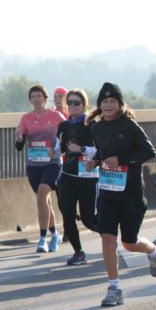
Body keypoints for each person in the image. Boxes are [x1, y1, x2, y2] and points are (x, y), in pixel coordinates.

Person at [85, 82, 156, 307]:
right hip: (108, 192)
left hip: (130, 193)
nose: (109, 105)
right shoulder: (96, 128)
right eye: (105, 101)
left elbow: (149, 151)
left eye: (113, 101)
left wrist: (121, 160)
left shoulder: (129, 125)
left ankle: (155, 250)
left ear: (120, 104)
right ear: (99, 105)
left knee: (129, 243)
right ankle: (114, 287)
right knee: (107, 238)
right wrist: (95, 161)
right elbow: (103, 152)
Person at [15, 84, 66, 252]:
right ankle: (54, 234)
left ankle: (43, 238)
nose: (36, 99)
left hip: (52, 162)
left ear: (45, 99)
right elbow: (19, 140)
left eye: (39, 96)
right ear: (30, 100)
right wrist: (19, 138)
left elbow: (68, 134)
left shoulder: (56, 116)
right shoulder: (26, 118)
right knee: (43, 200)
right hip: (34, 164)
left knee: (43, 192)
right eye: (33, 96)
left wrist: (58, 149)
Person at [54, 89, 99, 265]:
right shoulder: (63, 126)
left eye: (76, 103)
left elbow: (101, 150)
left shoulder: (92, 124)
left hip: (87, 176)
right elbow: (59, 148)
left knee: (88, 219)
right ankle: (78, 252)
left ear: (84, 105)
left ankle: (109, 236)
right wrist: (52, 150)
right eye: (70, 102)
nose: (72, 106)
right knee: (67, 215)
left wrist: (82, 149)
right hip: (67, 175)